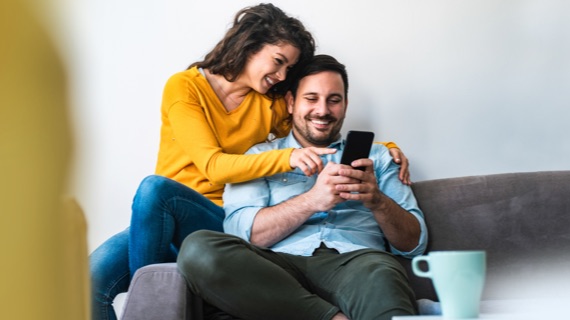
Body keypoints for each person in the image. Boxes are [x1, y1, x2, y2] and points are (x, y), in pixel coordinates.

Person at [89, 4, 410, 320]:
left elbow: (316, 127)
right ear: (250, 45)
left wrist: (383, 147)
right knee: (94, 278)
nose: (281, 75)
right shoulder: (185, 87)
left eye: (289, 69)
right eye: (278, 62)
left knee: (156, 195)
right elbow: (214, 166)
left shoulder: (268, 103)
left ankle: (153, 301)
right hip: (171, 211)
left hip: (221, 220)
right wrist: (287, 157)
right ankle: (150, 301)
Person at [177, 54, 428, 320]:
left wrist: (377, 201)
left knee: (384, 279)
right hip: (276, 268)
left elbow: (414, 244)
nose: (322, 110)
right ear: (290, 102)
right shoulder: (258, 156)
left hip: (359, 262)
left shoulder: (379, 158)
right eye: (311, 99)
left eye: (334, 100)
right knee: (198, 249)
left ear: (345, 105)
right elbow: (244, 233)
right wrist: (312, 201)